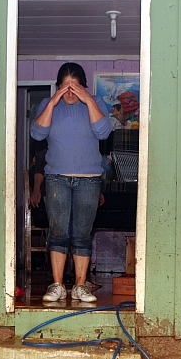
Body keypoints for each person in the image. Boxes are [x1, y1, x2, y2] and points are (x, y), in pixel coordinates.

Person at [30, 62, 112, 304]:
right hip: (56, 178)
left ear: (83, 87)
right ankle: (57, 285)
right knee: (58, 232)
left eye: (75, 87)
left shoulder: (94, 102)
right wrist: (53, 101)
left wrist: (88, 100)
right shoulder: (49, 105)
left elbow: (103, 132)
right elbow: (37, 133)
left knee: (82, 234)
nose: (69, 91)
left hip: (88, 179)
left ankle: (79, 285)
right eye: (65, 87)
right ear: (57, 87)